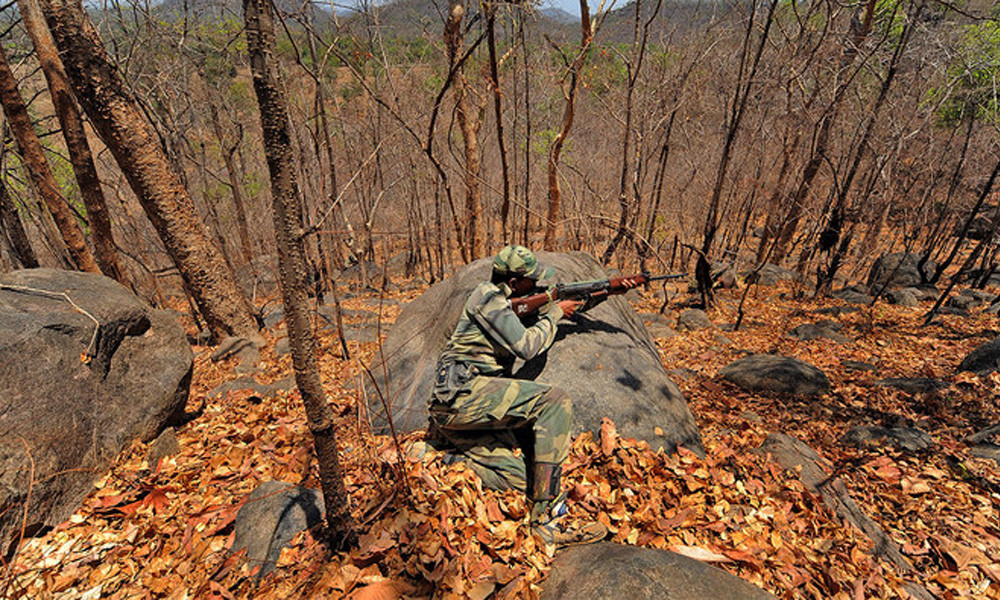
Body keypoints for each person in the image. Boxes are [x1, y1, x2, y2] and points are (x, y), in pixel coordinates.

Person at [429, 245, 609, 547]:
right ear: (514, 283)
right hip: (462, 395)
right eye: (531, 281)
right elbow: (526, 346)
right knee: (555, 400)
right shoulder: (486, 297)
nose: (537, 285)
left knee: (528, 480)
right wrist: (552, 315)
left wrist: (598, 296)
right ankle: (547, 520)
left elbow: (541, 309)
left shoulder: (506, 303)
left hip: (463, 410)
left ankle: (448, 460)